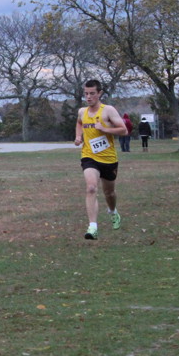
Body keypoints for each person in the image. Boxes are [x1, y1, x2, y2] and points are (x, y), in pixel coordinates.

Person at [74, 80, 128, 240]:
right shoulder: (82, 111)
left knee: (109, 193)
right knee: (91, 188)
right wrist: (78, 136)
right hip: (89, 156)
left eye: (92, 93)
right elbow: (79, 123)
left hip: (108, 159)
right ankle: (92, 227)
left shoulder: (108, 110)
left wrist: (104, 129)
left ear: (99, 93)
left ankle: (113, 211)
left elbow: (124, 130)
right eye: (86, 93)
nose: (88, 97)